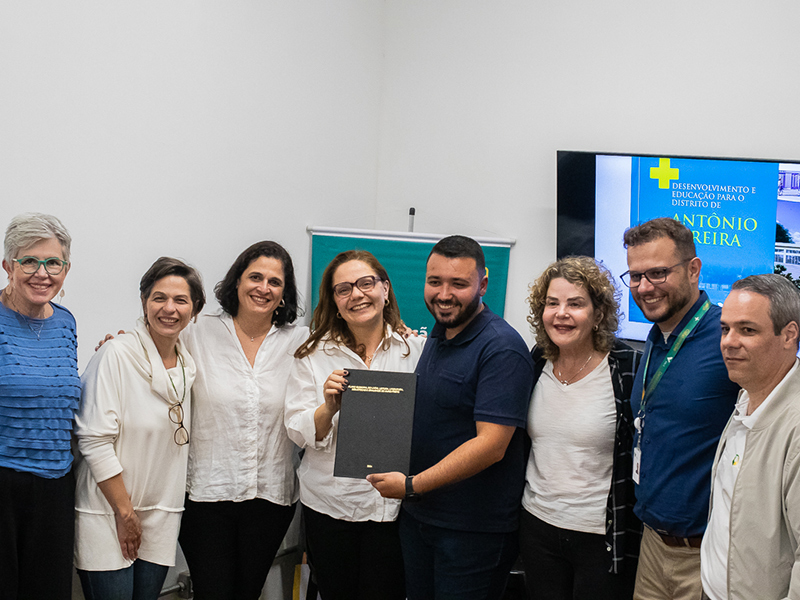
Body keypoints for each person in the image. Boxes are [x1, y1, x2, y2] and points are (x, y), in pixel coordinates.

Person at [368, 235, 535, 600]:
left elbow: (491, 445)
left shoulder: (501, 348)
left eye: (458, 284)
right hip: (422, 520)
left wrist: (412, 485)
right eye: (435, 282)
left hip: (472, 531)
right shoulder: (438, 336)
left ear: (482, 285)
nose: (444, 294)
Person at [284, 249, 424, 600]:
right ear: (333, 300)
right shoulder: (312, 354)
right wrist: (327, 407)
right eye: (343, 289)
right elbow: (296, 429)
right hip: (331, 505)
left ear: (386, 289)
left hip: (393, 508)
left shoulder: (417, 350)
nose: (357, 295)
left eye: (366, 283)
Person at [178, 241, 307, 600]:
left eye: (274, 282)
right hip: (206, 496)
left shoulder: (301, 341)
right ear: (237, 281)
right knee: (213, 592)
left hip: (270, 498)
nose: (263, 288)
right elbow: (151, 353)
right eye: (255, 277)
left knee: (247, 592)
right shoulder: (197, 332)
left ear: (284, 293)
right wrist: (118, 344)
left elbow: (348, 352)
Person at [621, 217, 739, 600]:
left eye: (657, 273)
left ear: (693, 269)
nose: (644, 287)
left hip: (707, 553)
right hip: (652, 546)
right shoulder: (655, 338)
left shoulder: (728, 339)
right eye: (636, 276)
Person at [74, 257, 205, 599]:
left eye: (181, 300)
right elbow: (94, 439)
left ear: (195, 309)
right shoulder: (116, 355)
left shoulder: (188, 366)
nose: (169, 309)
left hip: (160, 515)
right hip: (107, 510)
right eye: (159, 297)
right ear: (144, 302)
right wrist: (125, 513)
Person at [520, 256, 641, 600]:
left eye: (575, 304)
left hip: (600, 536)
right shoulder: (534, 362)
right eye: (552, 304)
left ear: (598, 313)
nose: (561, 313)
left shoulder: (627, 369)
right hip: (537, 527)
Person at [700, 274, 800, 600]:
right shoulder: (747, 395)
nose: (729, 341)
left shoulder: (795, 427)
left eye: (747, 330)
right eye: (725, 328)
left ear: (789, 335)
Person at [0, 213, 79, 600]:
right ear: (8, 266)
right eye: (29, 261)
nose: (41, 273)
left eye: (53, 262)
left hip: (56, 485)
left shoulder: (66, 323)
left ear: (66, 268)